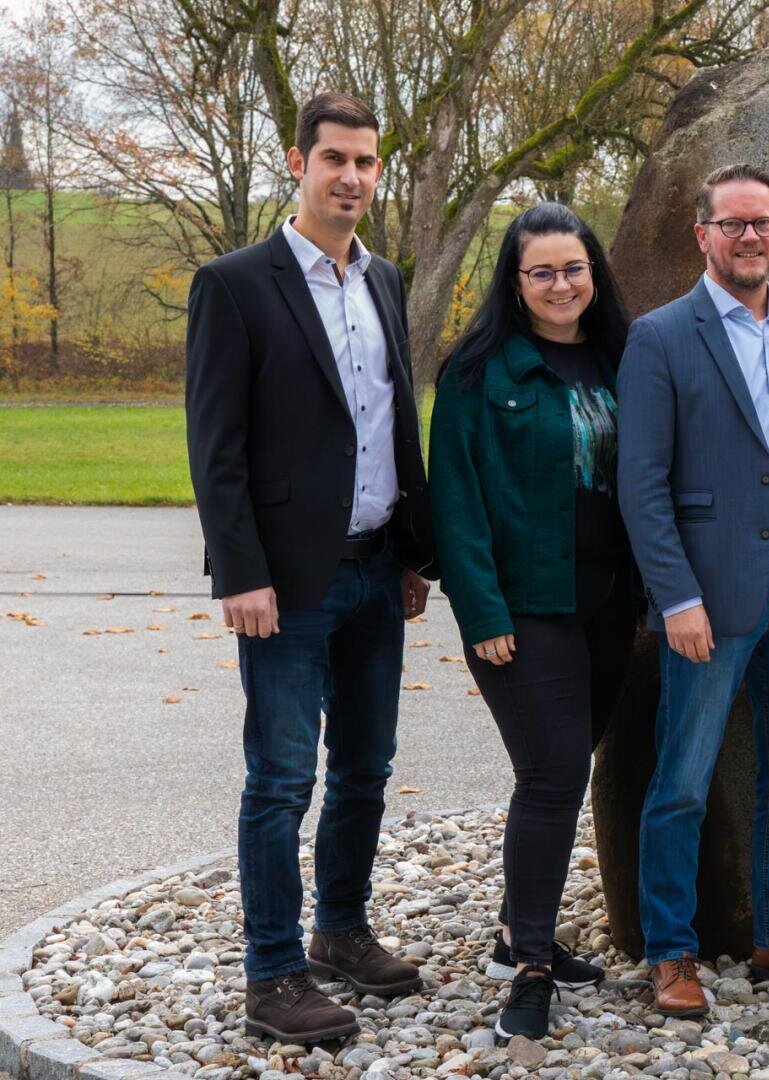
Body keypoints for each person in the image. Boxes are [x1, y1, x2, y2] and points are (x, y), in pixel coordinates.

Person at [184, 92, 436, 1043]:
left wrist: (416, 554)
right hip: (284, 582)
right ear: (298, 163)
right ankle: (272, 974)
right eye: (336, 158)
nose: (353, 178)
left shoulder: (385, 281)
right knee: (282, 779)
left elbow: (394, 422)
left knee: (366, 768)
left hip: (378, 570)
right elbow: (217, 447)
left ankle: (340, 932)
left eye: (368, 162)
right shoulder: (237, 283)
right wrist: (239, 573)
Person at [617, 163, 769, 1018]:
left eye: (763, 222)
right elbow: (641, 484)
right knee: (682, 777)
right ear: (703, 234)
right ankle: (671, 952)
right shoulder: (661, 336)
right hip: (708, 601)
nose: (750, 236)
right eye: (733, 224)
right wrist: (675, 597)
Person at [428, 202, 637, 1039]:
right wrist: (481, 612)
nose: (561, 285)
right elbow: (457, 505)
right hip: (523, 607)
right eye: (542, 271)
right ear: (515, 284)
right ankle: (532, 965)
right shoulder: (480, 374)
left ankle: (516, 924)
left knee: (567, 757)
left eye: (574, 268)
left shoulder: (622, 358)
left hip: (610, 602)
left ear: (595, 274)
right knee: (553, 775)